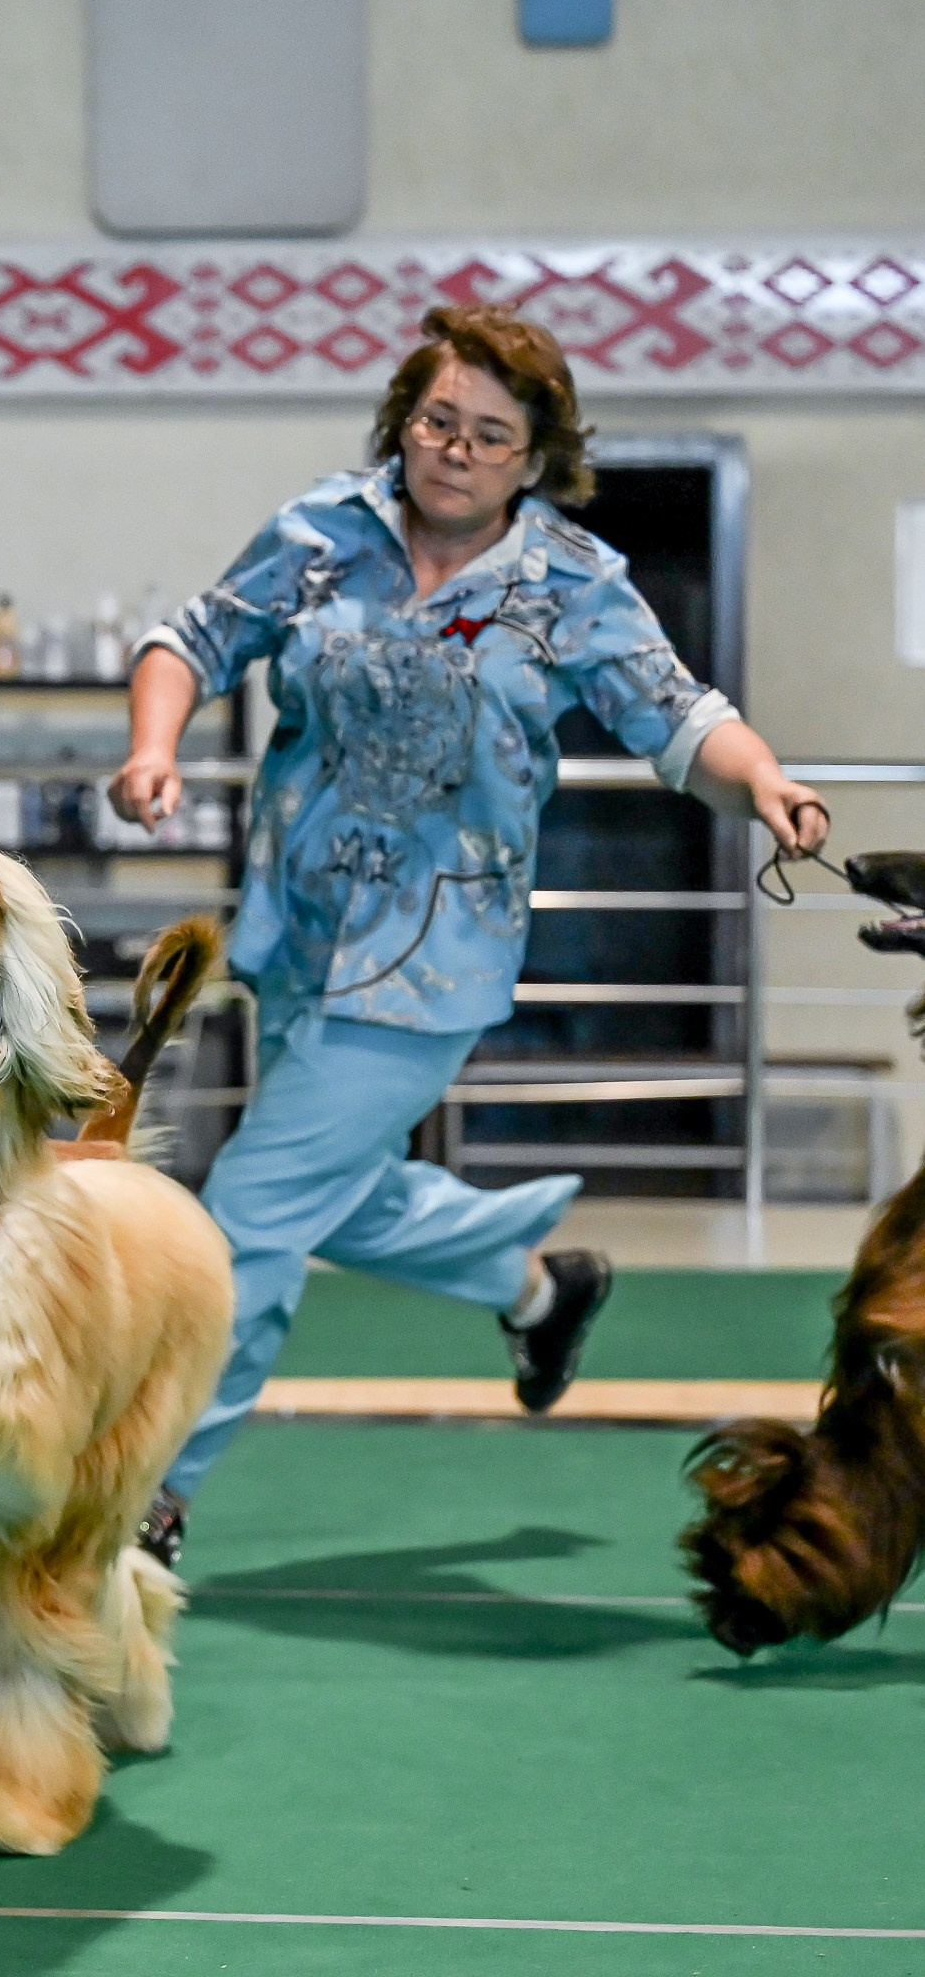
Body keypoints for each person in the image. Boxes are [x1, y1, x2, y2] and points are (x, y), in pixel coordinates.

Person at [109, 302, 828, 1566]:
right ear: (404, 418)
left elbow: (678, 715)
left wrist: (761, 779)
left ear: (533, 458)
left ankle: (148, 1504)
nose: (453, 449)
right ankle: (540, 1292)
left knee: (252, 1216)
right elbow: (193, 638)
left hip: (429, 957)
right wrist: (153, 745)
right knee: (331, 1193)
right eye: (438, 419)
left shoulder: (570, 584)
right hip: (294, 931)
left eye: (489, 436)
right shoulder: (322, 533)